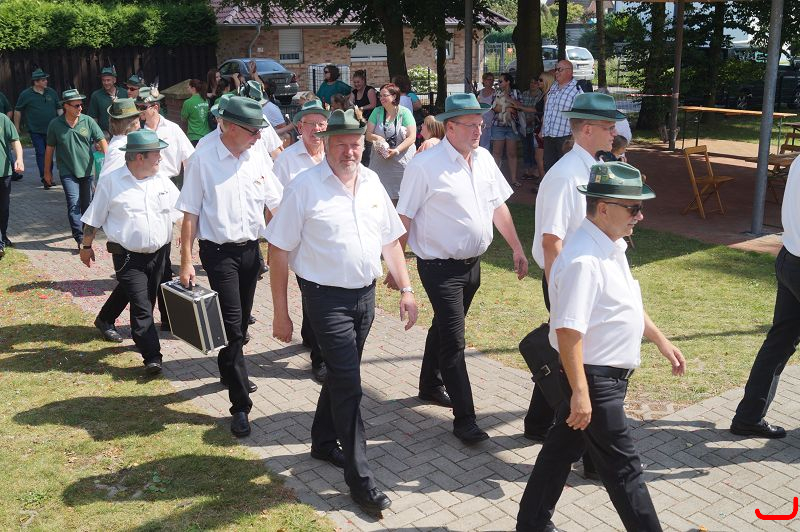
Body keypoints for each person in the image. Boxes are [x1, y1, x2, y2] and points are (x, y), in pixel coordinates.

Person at [517, 161, 686, 532]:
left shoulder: (611, 246)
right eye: (634, 208)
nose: (640, 215)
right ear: (605, 208)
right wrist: (580, 393)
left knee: (560, 452)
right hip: (595, 381)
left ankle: (531, 524)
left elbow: (624, 305)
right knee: (625, 470)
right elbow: (568, 332)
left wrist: (659, 339)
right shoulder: (583, 260)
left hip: (598, 378)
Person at [266, 108, 418, 513]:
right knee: (350, 385)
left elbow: (390, 240)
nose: (350, 151)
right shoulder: (304, 187)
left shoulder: (371, 182)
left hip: (365, 297)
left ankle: (321, 441)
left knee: (340, 374)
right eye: (342, 144)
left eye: (356, 144)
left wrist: (406, 288)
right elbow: (278, 250)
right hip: (324, 299)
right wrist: (281, 312)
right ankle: (361, 480)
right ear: (326, 143)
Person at [394, 93, 528, 444]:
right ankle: (465, 419)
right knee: (454, 341)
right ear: (450, 127)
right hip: (439, 268)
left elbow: (498, 206)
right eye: (470, 125)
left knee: (444, 326)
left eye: (480, 124)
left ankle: (429, 384)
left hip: (472, 266)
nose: (478, 130)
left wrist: (516, 247)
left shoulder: (484, 159)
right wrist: (397, 269)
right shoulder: (425, 166)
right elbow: (403, 217)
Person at [177, 96, 282, 438]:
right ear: (232, 127)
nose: (259, 136)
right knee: (234, 327)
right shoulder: (203, 159)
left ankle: (228, 363)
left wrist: (289, 242)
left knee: (239, 325)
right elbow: (190, 213)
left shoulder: (257, 155)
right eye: (254, 131)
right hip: (218, 254)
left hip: (252, 251)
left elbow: (277, 203)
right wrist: (186, 261)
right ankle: (240, 406)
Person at [525, 92, 622, 445]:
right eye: (608, 127)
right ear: (586, 130)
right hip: (566, 280)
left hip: (581, 278)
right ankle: (574, 432)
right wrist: (559, 293)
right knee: (574, 355)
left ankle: (537, 423)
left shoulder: (592, 167)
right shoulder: (566, 175)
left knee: (560, 351)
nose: (614, 133)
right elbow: (552, 241)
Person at [79, 130, 180, 375]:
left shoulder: (162, 180)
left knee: (142, 296)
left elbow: (183, 210)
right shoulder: (111, 182)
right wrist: (86, 246)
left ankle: (106, 319)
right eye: (156, 153)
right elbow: (93, 218)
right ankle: (152, 356)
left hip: (159, 255)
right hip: (127, 257)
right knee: (142, 305)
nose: (160, 158)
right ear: (139, 157)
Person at [729, 158, 800, 440]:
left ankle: (749, 416)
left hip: (789, 259)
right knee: (778, 343)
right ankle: (748, 417)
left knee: (778, 343)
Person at [272, 99, 330, 383]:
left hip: (328, 238)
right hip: (300, 239)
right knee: (314, 290)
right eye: (311, 124)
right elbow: (274, 201)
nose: (317, 129)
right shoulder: (287, 159)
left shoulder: (333, 153)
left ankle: (311, 335)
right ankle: (320, 358)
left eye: (321, 124)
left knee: (317, 294)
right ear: (299, 127)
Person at [45, 89, 107, 249]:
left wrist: (108, 160)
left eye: (81, 105)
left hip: (87, 171)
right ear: (66, 106)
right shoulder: (55, 124)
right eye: (76, 105)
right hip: (67, 172)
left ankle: (87, 235)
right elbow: (49, 149)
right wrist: (47, 172)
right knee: (73, 204)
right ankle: (79, 238)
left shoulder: (88, 121)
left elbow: (102, 140)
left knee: (87, 205)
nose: (80, 108)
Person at [366, 83, 416, 203]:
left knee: (401, 199)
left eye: (385, 95)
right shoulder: (377, 112)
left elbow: (412, 137)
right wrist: (379, 139)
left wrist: (396, 150)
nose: (381, 98)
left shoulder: (405, 112)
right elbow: (368, 135)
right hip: (379, 164)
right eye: (380, 95)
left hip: (400, 163)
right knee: (379, 198)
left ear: (394, 96)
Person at [14, 68, 60, 188]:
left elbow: (59, 108)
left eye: (46, 79)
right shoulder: (26, 94)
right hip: (35, 130)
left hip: (51, 130)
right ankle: (45, 177)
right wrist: (16, 127)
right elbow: (18, 110)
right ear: (36, 82)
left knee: (49, 153)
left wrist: (64, 123)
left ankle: (49, 175)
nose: (46, 81)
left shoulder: (51, 92)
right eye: (43, 80)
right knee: (41, 153)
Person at [542, 60, 582, 172]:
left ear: (570, 72)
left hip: (565, 137)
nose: (556, 72)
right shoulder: (554, 86)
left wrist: (573, 139)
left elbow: (580, 117)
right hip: (549, 135)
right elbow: (548, 110)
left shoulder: (577, 91)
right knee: (549, 168)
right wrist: (542, 129)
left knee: (565, 169)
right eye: (556, 69)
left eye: (560, 69)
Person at [491, 73, 523, 188]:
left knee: (512, 153)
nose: (499, 83)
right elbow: (495, 108)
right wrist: (509, 108)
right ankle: (494, 179)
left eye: (501, 81)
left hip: (511, 126)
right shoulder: (496, 92)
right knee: (496, 153)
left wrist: (510, 101)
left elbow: (519, 107)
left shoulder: (516, 92)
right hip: (498, 125)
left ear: (508, 81)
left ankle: (513, 179)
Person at [0, 113, 24, 257]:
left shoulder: (2, 119)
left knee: (3, 208)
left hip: (3, 172)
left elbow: (15, 140)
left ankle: (3, 236)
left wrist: (19, 158)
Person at [87, 66, 127, 134]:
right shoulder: (96, 95)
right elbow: (93, 117)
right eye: (103, 80)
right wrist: (98, 134)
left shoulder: (124, 93)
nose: (106, 83)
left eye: (108, 80)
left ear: (114, 80)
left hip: (124, 132)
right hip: (105, 133)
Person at [518, 75, 544, 179]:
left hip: (535, 126)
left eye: (535, 83)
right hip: (524, 126)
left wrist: (531, 119)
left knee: (535, 150)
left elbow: (539, 110)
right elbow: (520, 108)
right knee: (526, 149)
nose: (532, 84)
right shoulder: (524, 94)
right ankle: (527, 170)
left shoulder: (541, 95)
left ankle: (535, 171)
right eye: (531, 82)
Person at [181, 79, 210, 146]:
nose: (188, 89)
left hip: (194, 136)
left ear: (193, 88)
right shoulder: (205, 100)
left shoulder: (188, 102)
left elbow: (183, 118)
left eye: (188, 87)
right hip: (206, 135)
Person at [477, 72, 495, 150]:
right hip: (482, 123)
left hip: (493, 123)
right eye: (489, 79)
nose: (491, 81)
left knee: (493, 146)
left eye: (492, 80)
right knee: (483, 146)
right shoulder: (479, 93)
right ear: (484, 80)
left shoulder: (496, 93)